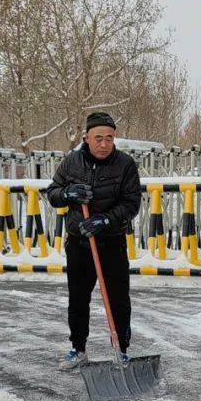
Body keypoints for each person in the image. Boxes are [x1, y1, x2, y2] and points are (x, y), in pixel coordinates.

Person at [47, 112, 142, 370]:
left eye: (109, 138)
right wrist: (67, 193)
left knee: (118, 299)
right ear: (86, 138)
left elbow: (132, 203)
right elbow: (52, 194)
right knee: (78, 299)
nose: (103, 144)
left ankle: (121, 350)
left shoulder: (125, 165)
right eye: (98, 138)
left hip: (111, 242)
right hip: (79, 243)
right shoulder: (71, 163)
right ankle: (78, 349)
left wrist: (105, 220)